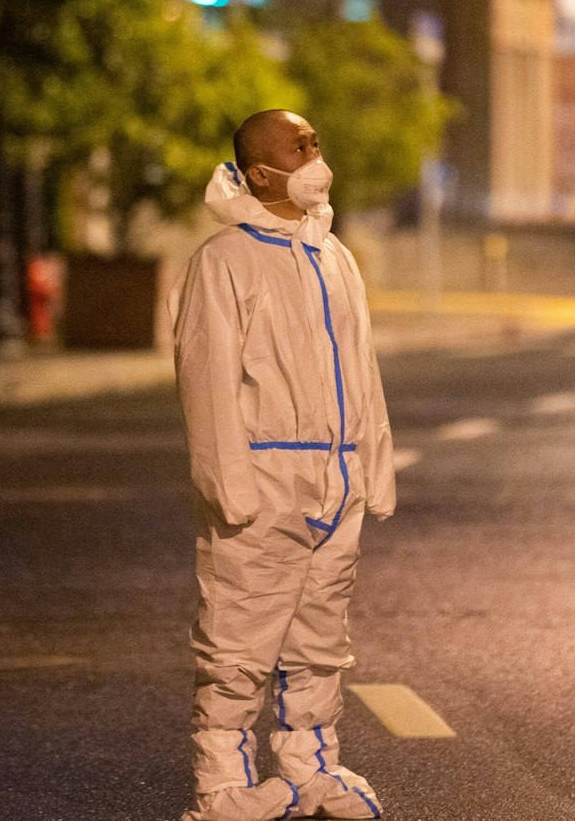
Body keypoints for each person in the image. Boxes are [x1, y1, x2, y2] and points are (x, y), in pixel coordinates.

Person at [173, 110, 397, 821]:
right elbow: (205, 379)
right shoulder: (224, 261)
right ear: (261, 172)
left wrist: (374, 467)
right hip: (264, 483)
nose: (313, 153)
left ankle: (312, 769)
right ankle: (223, 788)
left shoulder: (334, 255)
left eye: (314, 142)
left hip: (336, 482)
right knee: (239, 642)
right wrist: (227, 484)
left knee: (320, 641)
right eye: (298, 146)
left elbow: (362, 368)